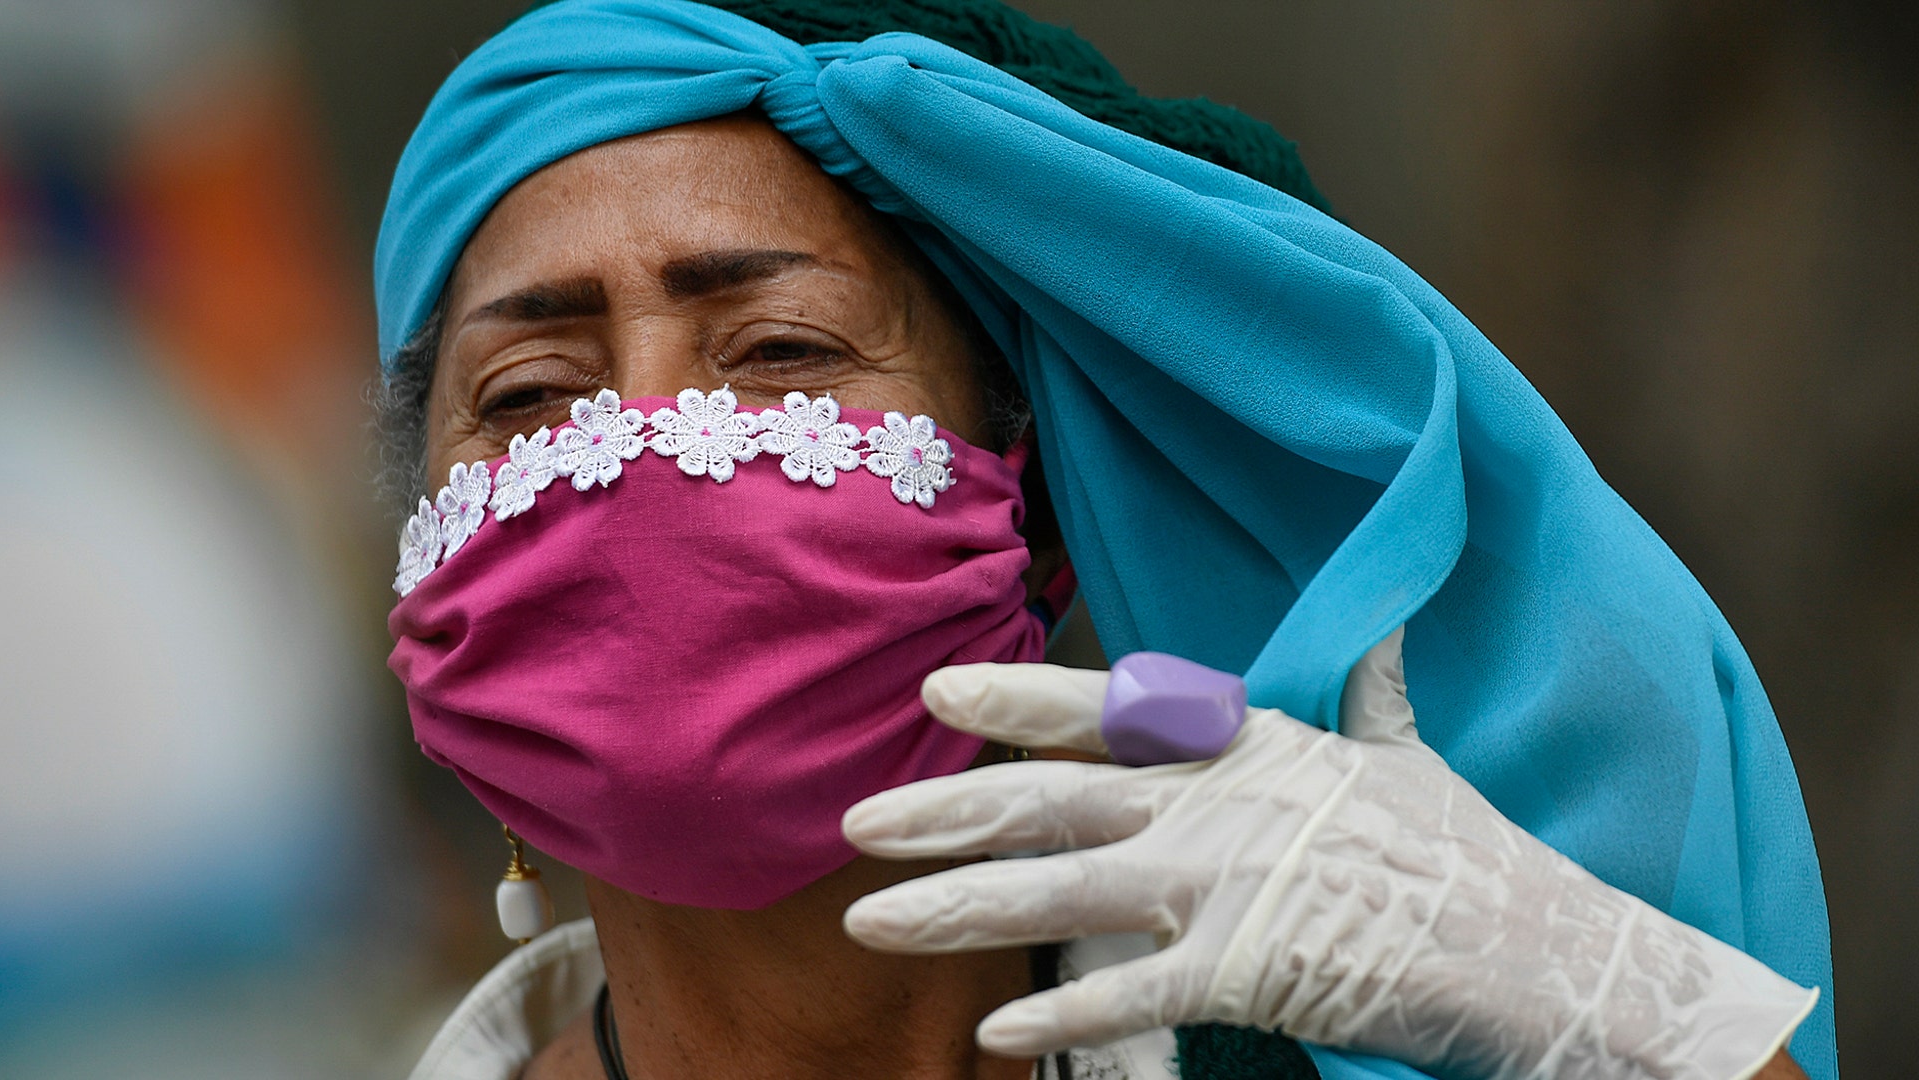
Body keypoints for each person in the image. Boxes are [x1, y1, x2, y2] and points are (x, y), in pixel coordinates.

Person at [372, 2, 1835, 1079]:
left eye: (780, 350)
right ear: (426, 557)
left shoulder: (1346, 1025)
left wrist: (1591, 1009)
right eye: (530, 394)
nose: (646, 449)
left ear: (1027, 506)